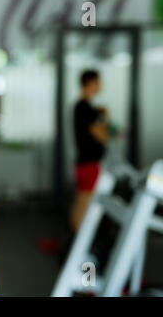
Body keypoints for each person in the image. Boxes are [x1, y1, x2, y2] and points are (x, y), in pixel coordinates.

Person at [70, 70, 109, 232]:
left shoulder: (83, 107)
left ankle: (74, 243)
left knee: (82, 201)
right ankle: (76, 243)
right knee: (85, 203)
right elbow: (102, 136)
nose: (101, 86)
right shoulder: (85, 108)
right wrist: (104, 119)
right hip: (89, 163)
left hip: (85, 162)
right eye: (98, 82)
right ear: (91, 83)